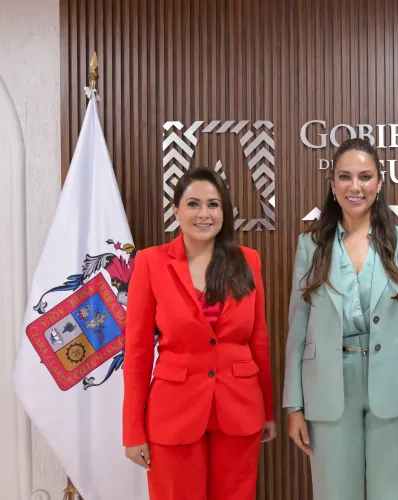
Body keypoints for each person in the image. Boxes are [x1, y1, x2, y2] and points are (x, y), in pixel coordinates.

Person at [282, 138, 398, 500]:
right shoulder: (311, 245)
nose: (355, 187)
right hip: (329, 385)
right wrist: (294, 405)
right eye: (345, 177)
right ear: (332, 184)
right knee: (334, 492)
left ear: (379, 183)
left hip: (396, 384)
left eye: (365, 177)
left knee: (396, 493)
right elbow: (298, 329)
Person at [122, 168, 277, 500]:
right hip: (173, 411)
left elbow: (259, 341)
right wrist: (132, 430)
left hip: (239, 407)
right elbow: (137, 352)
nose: (204, 214)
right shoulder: (150, 262)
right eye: (193, 204)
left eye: (213, 204)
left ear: (224, 212)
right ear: (176, 210)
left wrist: (267, 412)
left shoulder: (248, 261)